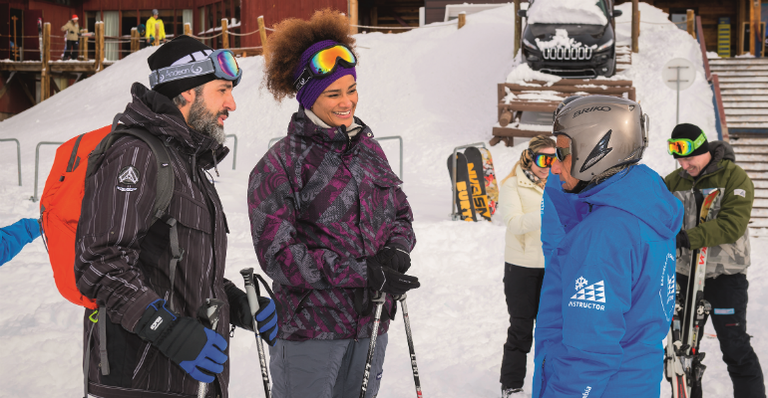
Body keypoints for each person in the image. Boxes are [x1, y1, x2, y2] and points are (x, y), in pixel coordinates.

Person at [74, 35, 276, 398]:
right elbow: (100, 263)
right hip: (141, 381)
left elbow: (176, 270)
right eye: (222, 90)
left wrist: (237, 305)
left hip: (193, 379)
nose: (231, 103)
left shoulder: (187, 163)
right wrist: (166, 329)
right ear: (185, 92)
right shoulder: (136, 155)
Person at [248, 9, 419, 398]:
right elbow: (279, 256)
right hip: (311, 332)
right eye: (333, 94)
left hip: (371, 323)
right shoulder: (280, 164)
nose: (347, 103)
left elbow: (400, 212)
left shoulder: (369, 150)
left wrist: (395, 251)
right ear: (308, 96)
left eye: (351, 90)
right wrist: (363, 271)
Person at [532, 95, 683, 398]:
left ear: (594, 151)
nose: (555, 168)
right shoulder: (643, 206)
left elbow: (588, 352)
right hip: (638, 380)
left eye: (562, 154)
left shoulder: (602, 234)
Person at [664, 123, 765, 398]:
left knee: (735, 347)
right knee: (683, 348)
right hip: (685, 275)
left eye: (689, 158)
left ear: (704, 148)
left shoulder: (734, 177)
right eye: (680, 160)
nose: (685, 166)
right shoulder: (673, 182)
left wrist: (687, 238)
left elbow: (733, 224)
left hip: (725, 276)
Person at [497, 135, 556, 397]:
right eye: (544, 158)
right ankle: (511, 385)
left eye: (555, 159)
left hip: (552, 267)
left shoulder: (559, 184)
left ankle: (550, 382)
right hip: (521, 268)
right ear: (530, 157)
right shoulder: (512, 185)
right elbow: (515, 223)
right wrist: (548, 209)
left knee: (552, 329)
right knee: (521, 329)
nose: (548, 165)